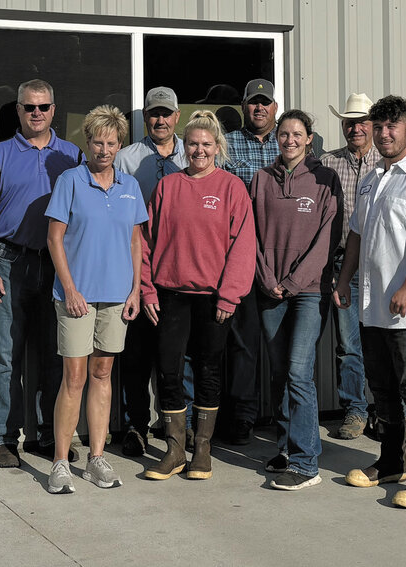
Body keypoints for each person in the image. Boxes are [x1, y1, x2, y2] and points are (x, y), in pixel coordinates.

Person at [334, 95, 406, 510]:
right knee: (381, 386)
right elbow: (357, 235)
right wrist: (344, 280)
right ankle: (389, 461)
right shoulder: (373, 179)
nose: (384, 134)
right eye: (378, 126)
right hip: (372, 304)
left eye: (392, 126)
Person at [0, 79, 82, 468]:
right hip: (9, 262)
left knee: (56, 354)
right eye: (29, 107)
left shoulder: (74, 155)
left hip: (56, 267)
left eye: (44, 107)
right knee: (6, 355)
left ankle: (52, 436)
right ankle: (4, 439)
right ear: (18, 110)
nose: (37, 113)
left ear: (54, 110)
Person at [142, 110, 256, 481]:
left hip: (213, 298)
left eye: (206, 144)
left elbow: (243, 245)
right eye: (192, 143)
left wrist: (229, 296)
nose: (199, 150)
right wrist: (146, 289)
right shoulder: (168, 187)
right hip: (170, 294)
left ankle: (202, 448)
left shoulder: (231, 188)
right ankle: (175, 448)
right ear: (183, 147)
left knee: (209, 370)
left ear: (217, 147)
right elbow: (144, 242)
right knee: (169, 369)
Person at [44, 105, 148, 493]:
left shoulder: (130, 187)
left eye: (110, 142)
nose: (103, 149)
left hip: (117, 297)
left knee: (102, 374)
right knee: (73, 377)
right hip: (77, 297)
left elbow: (136, 241)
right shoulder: (70, 180)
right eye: (96, 142)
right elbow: (55, 238)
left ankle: (97, 459)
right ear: (85, 143)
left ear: (119, 145)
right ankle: (59, 462)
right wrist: (69, 289)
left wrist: (136, 289)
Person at [251, 110, 343, 490]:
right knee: (277, 373)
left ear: (309, 139)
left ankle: (307, 464)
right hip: (269, 289)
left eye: (297, 134)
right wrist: (268, 278)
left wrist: (291, 281)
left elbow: (328, 238)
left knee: (298, 371)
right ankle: (287, 446)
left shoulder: (325, 180)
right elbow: (250, 236)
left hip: (308, 291)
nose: (290, 140)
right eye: (284, 134)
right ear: (277, 138)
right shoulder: (260, 179)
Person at [114, 86, 194, 458]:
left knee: (178, 355)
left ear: (177, 116)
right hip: (136, 266)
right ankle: (136, 424)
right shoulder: (127, 159)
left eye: (166, 113)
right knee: (136, 353)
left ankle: (179, 424)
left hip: (179, 270)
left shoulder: (194, 153)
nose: (160, 120)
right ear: (145, 118)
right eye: (153, 114)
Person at [221, 78, 280, 444]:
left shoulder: (290, 143)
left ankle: (282, 414)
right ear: (245, 106)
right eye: (253, 102)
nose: (259, 108)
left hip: (278, 258)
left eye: (265, 102)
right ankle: (242, 416)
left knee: (279, 342)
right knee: (242, 342)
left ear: (274, 107)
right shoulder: (227, 144)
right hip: (240, 256)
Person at [321, 93, 381, 440]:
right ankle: (355, 410)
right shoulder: (328, 163)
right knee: (348, 344)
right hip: (343, 263)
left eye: (361, 121)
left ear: (372, 125)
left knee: (384, 340)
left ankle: (387, 410)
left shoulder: (387, 162)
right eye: (349, 121)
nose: (355, 127)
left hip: (381, 265)